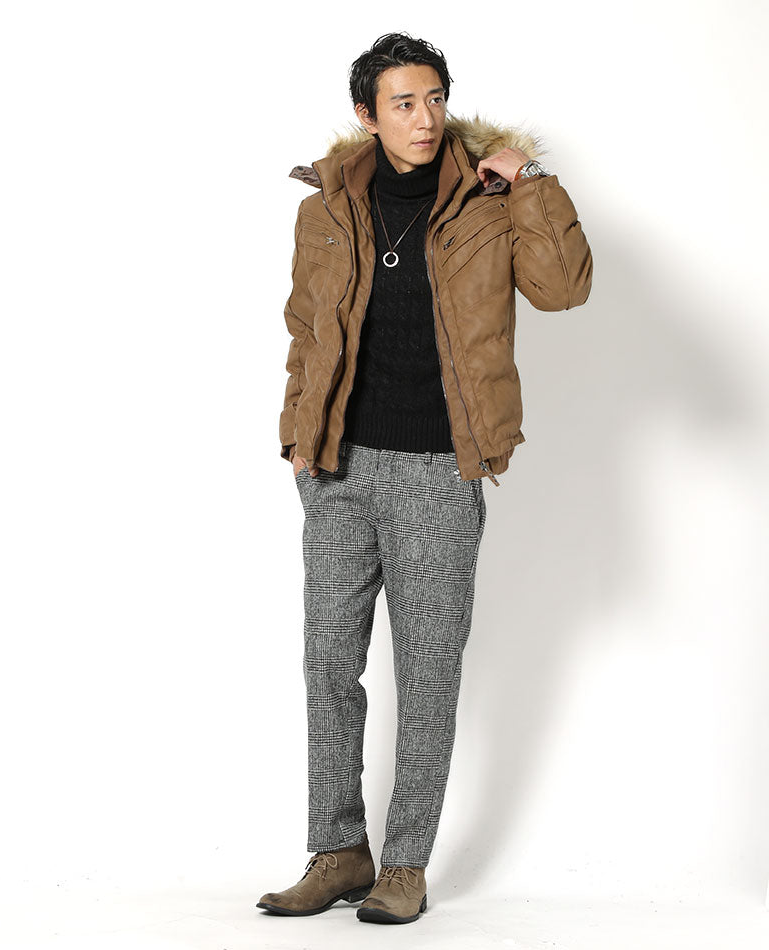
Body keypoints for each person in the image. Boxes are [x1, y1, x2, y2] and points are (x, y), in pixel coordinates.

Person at [258, 31, 593, 925]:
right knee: (328, 665)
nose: (425, 117)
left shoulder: (489, 200)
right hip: (338, 470)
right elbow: (305, 330)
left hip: (440, 471)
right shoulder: (327, 206)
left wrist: (531, 181)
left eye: (436, 98)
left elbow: (565, 288)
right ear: (366, 115)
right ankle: (338, 850)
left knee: (429, 675)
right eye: (404, 103)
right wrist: (298, 439)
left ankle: (404, 864)